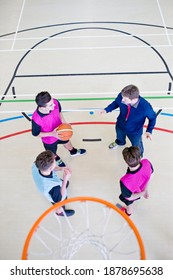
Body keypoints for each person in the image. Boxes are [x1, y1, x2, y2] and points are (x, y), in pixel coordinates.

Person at [32, 91, 86, 167]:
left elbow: (59, 112)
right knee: (52, 153)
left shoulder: (55, 102)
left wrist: (64, 122)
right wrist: (52, 134)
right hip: (49, 139)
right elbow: (36, 134)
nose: (54, 105)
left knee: (67, 142)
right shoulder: (36, 119)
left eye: (52, 102)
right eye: (50, 105)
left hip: (61, 130)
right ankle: (57, 159)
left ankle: (73, 151)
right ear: (42, 107)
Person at [100, 84, 156, 156]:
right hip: (120, 124)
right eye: (122, 97)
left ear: (134, 99)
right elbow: (116, 103)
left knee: (137, 145)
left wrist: (149, 130)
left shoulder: (145, 107)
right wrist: (107, 110)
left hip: (135, 131)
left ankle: (139, 155)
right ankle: (120, 142)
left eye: (125, 99)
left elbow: (153, 118)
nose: (122, 100)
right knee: (119, 136)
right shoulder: (122, 96)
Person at [32, 150, 75, 216]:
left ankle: (63, 183)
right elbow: (60, 199)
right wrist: (65, 179)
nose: (55, 158)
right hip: (55, 194)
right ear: (50, 168)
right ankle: (60, 212)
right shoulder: (54, 188)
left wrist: (61, 169)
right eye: (54, 160)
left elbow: (51, 169)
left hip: (44, 184)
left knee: (61, 184)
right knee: (59, 204)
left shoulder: (36, 165)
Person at [118, 146, 154, 216]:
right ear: (140, 157)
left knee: (129, 204)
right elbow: (151, 174)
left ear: (126, 162)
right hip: (141, 189)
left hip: (135, 193)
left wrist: (143, 193)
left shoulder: (124, 181)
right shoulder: (146, 162)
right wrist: (145, 190)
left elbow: (129, 197)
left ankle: (128, 213)